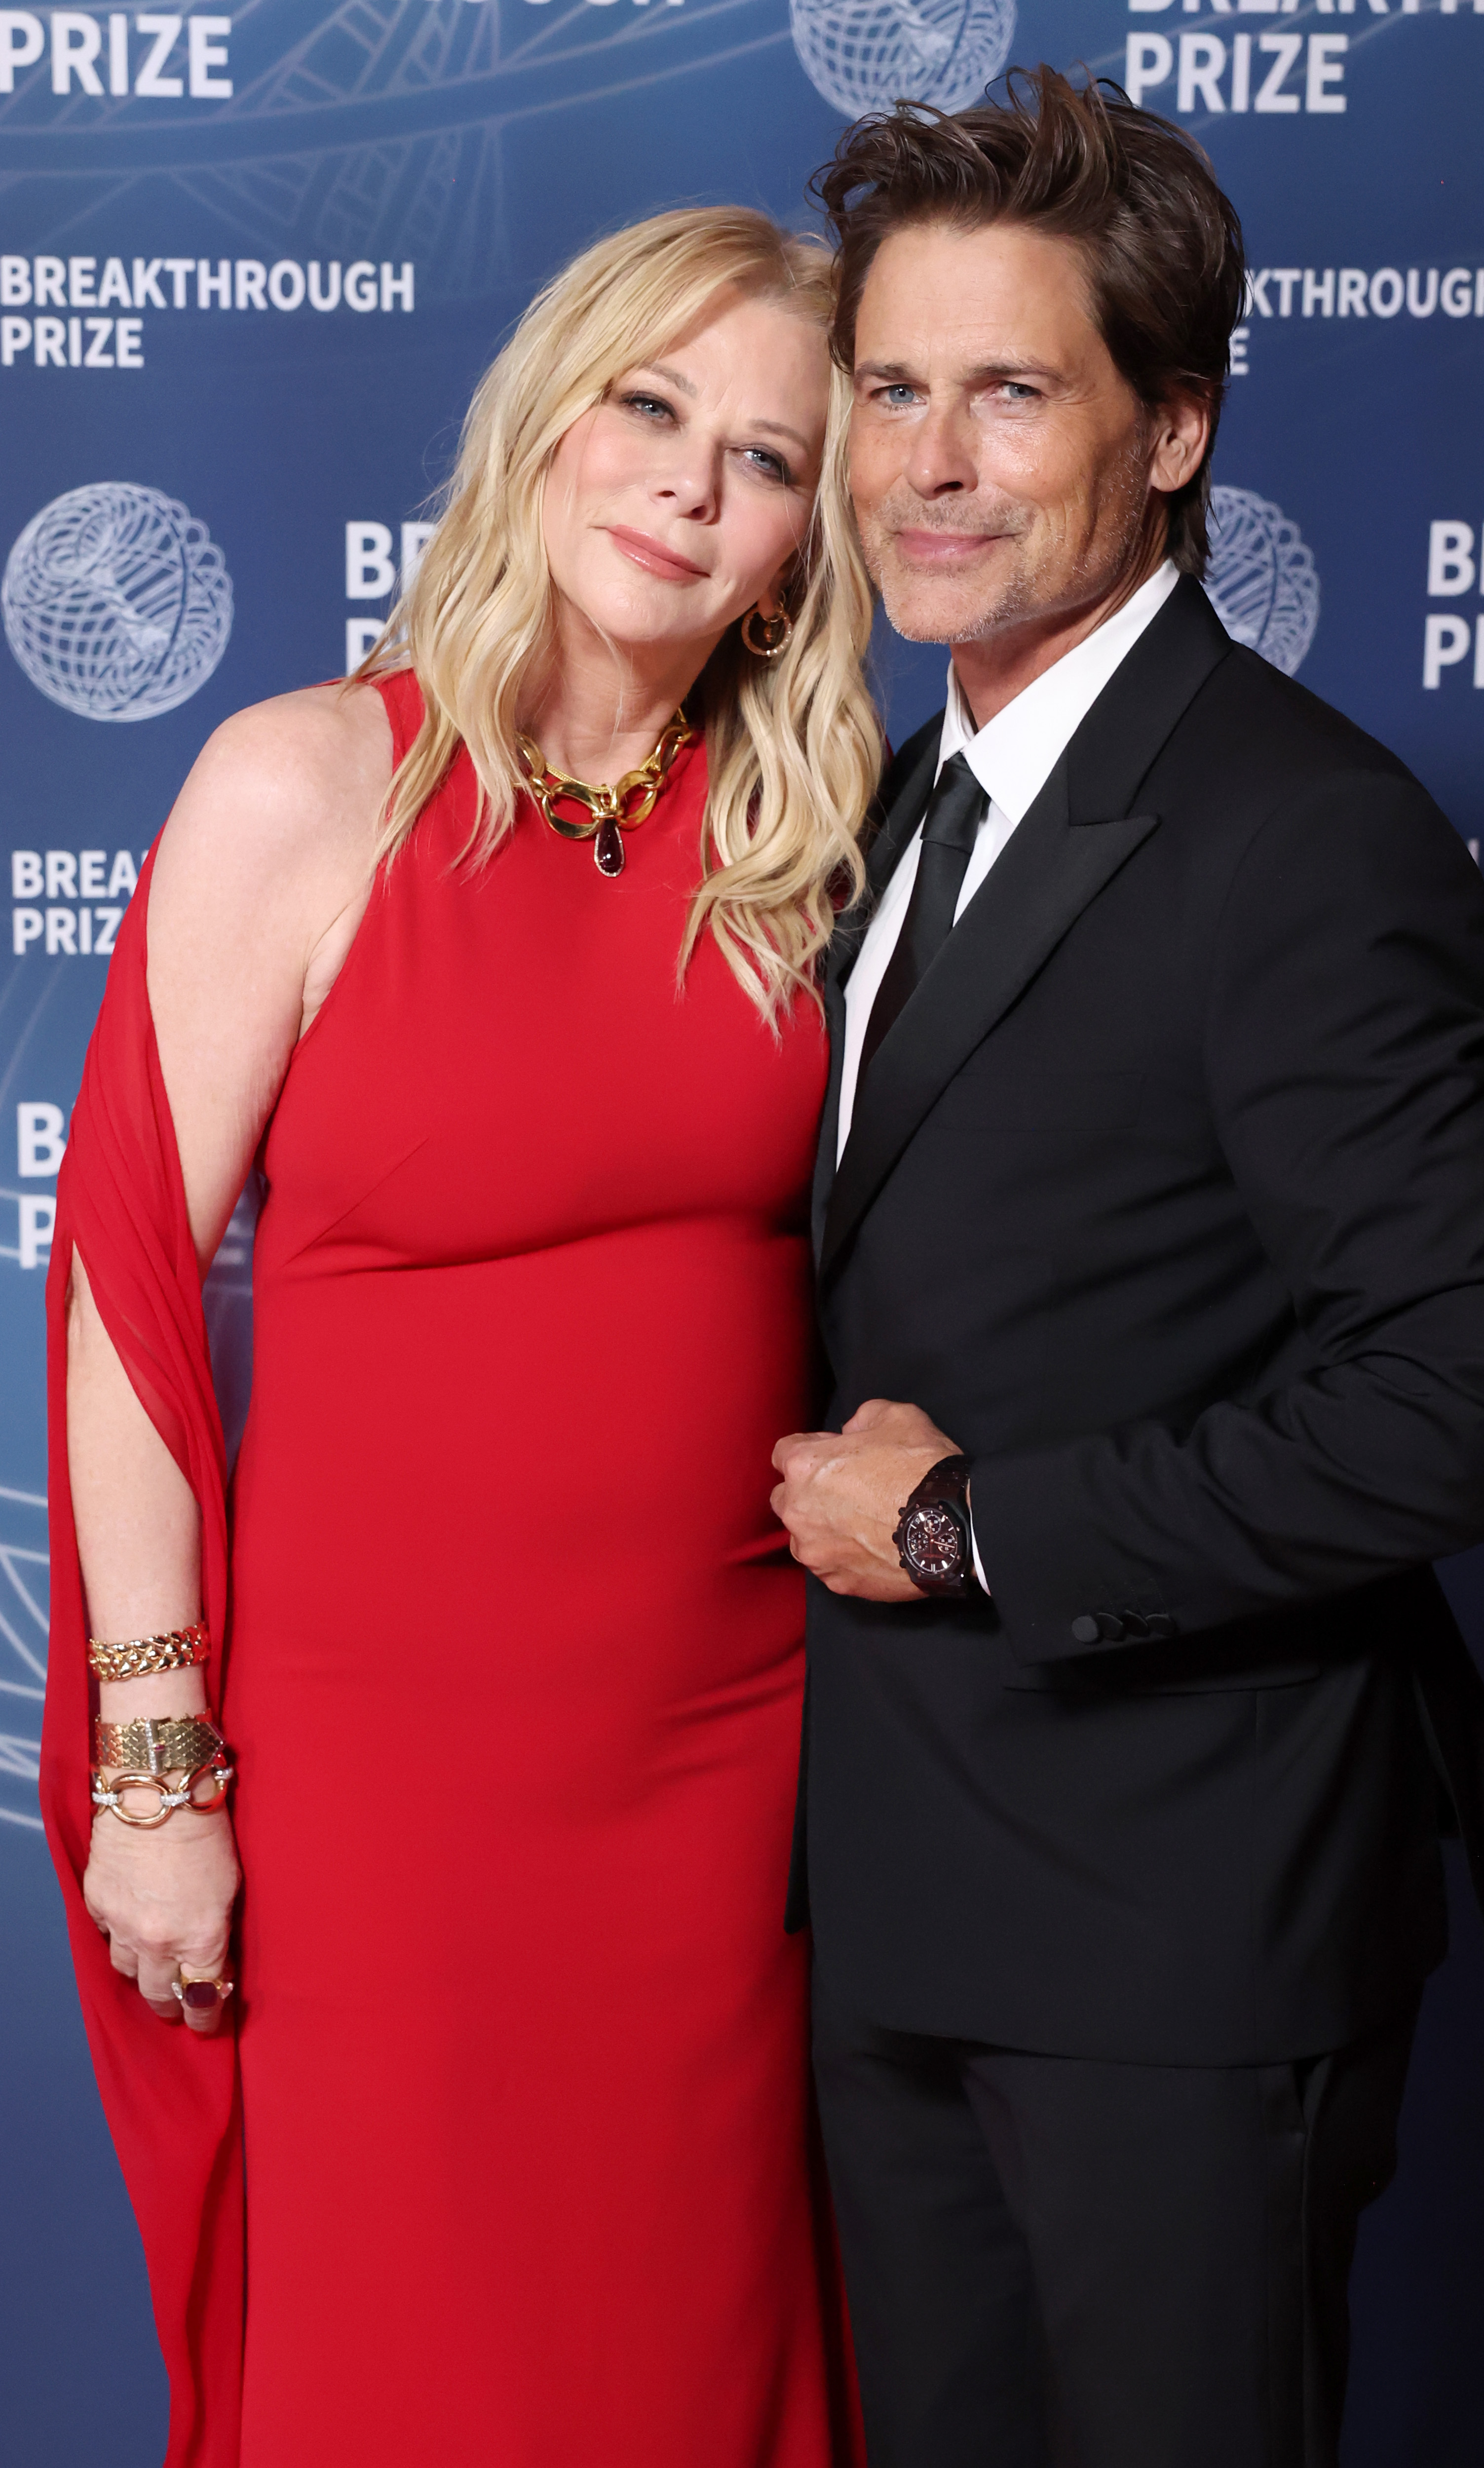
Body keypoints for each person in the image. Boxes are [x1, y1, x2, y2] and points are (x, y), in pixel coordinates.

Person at [42, 205, 881, 2468]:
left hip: (736, 1780)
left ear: (807, 550)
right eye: (651, 408)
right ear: (545, 426)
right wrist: (157, 1768)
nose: (694, 484)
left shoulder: (824, 849)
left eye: (769, 456)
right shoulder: (304, 785)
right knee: (402, 2368)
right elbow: (124, 1283)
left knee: (694, 2357)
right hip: (376, 1799)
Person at [771, 71, 1484, 2468]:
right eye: (893, 390)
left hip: (1176, 1938)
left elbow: (1461, 1398)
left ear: (1179, 427)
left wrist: (971, 1522)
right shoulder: (913, 791)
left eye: (1012, 393)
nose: (929, 463)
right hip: (901, 1906)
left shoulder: (1302, 832)